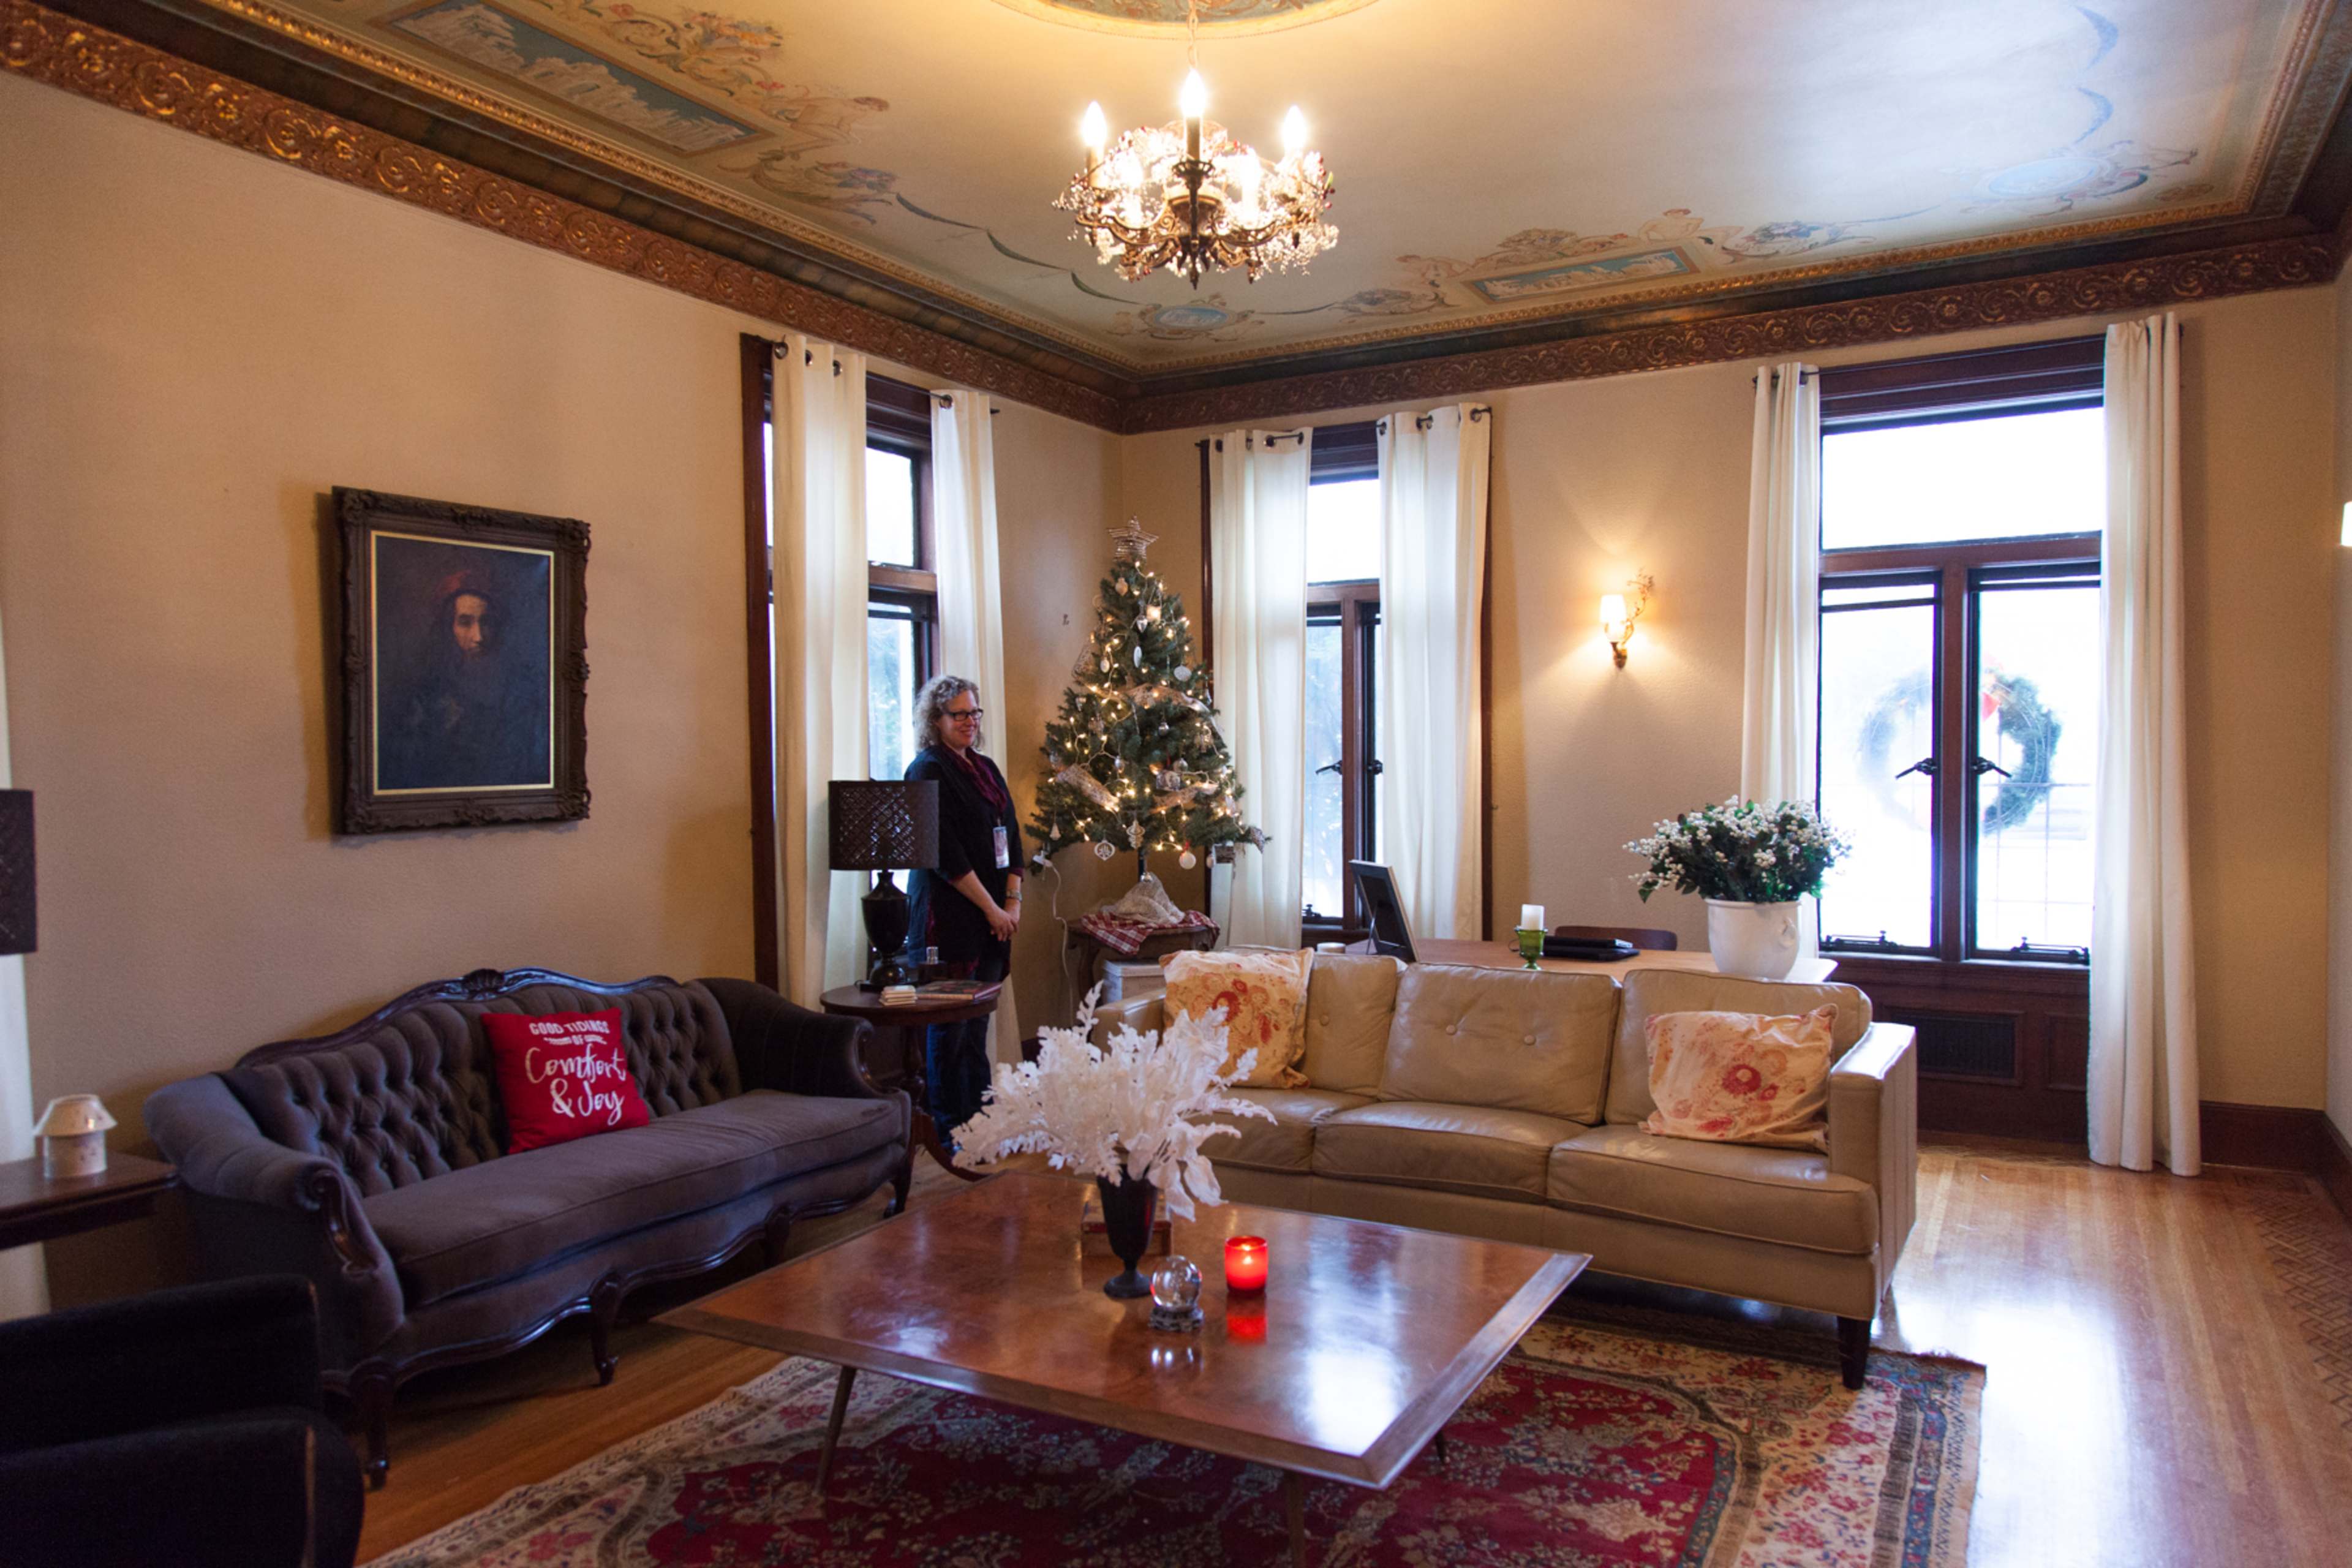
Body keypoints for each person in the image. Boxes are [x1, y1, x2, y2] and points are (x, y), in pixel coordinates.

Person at [903, 674, 1023, 1143]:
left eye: (975, 713)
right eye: (959, 714)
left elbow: (1010, 835)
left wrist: (1012, 902)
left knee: (977, 1026)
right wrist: (993, 908)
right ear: (936, 720)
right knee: (950, 1028)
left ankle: (982, 1121)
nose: (970, 722)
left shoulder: (986, 767)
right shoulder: (927, 769)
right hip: (949, 919)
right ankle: (951, 1130)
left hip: (995, 917)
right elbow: (944, 854)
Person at [380, 567, 547, 790]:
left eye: (487, 622)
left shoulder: (523, 688)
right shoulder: (428, 691)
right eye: (465, 622)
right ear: (449, 627)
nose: (478, 637)